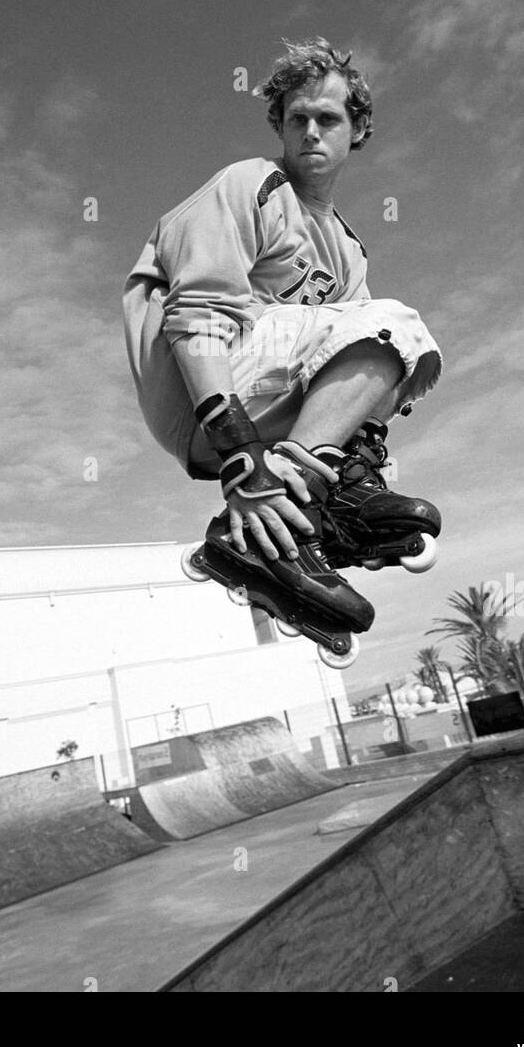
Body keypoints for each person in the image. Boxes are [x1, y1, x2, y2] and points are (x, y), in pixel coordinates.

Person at [123, 37, 442, 639]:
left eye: (328, 118)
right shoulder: (253, 185)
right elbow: (195, 316)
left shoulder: (347, 251)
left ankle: (323, 507)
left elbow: (361, 376)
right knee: (393, 324)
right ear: (280, 127)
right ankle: (276, 516)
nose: (312, 133)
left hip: (264, 404)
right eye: (298, 119)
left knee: (390, 349)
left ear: (359, 128)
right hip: (203, 397)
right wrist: (242, 460)